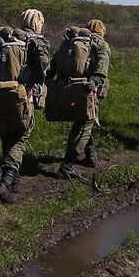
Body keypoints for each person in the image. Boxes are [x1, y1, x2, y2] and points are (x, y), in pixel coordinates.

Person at [0, 9, 51, 203]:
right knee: (21, 135)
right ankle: (6, 180)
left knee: (6, 132)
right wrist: (32, 81)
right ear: (38, 23)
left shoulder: (3, 39)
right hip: (20, 95)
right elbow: (43, 63)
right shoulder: (34, 41)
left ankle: (14, 182)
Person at [50, 18, 110, 178]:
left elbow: (54, 62)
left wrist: (49, 82)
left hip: (66, 86)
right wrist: (96, 80)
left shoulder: (72, 41)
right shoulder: (100, 44)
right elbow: (103, 64)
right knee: (85, 123)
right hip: (86, 89)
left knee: (84, 120)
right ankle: (67, 165)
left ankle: (90, 156)